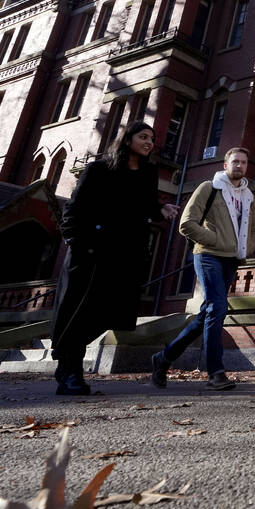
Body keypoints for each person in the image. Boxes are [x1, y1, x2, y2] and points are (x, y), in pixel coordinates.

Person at [50, 121, 180, 396]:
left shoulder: (147, 172)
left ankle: (67, 359)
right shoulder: (99, 169)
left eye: (152, 138)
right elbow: (74, 207)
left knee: (110, 311)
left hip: (125, 254)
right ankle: (70, 369)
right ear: (128, 139)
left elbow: (143, 205)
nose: (149, 142)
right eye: (143, 136)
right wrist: (75, 240)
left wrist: (161, 208)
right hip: (91, 251)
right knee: (80, 311)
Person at [151, 147, 255, 391]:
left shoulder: (249, 195)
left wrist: (244, 247)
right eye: (235, 162)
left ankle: (163, 358)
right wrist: (215, 239)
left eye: (243, 162)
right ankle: (215, 372)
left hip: (232, 259)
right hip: (208, 255)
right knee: (218, 307)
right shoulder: (209, 188)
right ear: (225, 165)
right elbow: (186, 223)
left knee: (207, 313)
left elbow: (253, 228)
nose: (239, 165)